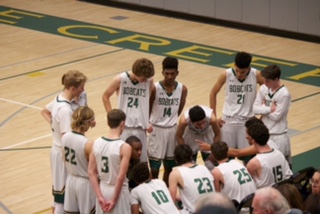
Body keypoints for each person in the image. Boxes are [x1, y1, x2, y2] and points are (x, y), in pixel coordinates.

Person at [41, 70, 87, 214]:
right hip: (64, 153)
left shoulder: (58, 98)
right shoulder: (65, 110)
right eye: (81, 87)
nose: (83, 90)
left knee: (59, 193)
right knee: (63, 195)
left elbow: (44, 111)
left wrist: (54, 125)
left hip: (59, 150)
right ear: (73, 88)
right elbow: (68, 140)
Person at [209, 51, 264, 158]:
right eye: (237, 70)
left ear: (248, 68)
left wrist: (262, 115)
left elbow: (267, 92)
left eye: (242, 72)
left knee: (249, 159)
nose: (239, 74)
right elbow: (213, 93)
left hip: (247, 122)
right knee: (225, 157)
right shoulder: (226, 74)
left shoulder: (256, 75)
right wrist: (214, 117)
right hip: (228, 121)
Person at [102, 58, 155, 162]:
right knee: (123, 161)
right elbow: (105, 96)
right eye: (143, 78)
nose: (145, 80)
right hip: (124, 128)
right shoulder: (120, 79)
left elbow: (145, 102)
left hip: (140, 128)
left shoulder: (149, 81)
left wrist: (147, 121)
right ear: (136, 73)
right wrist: (112, 118)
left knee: (142, 162)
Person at [148, 56, 188, 185]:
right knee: (154, 168)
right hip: (156, 129)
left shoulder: (183, 89)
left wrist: (171, 121)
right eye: (167, 73)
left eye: (172, 73)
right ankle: (154, 189)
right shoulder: (155, 88)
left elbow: (179, 109)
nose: (170, 76)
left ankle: (165, 189)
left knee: (169, 167)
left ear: (177, 73)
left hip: (172, 130)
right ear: (162, 73)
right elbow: (147, 107)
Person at [88, 109, 131, 214]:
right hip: (118, 191)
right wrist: (114, 200)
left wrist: (99, 197)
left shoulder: (96, 142)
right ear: (123, 123)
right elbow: (120, 177)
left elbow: (91, 172)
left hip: (102, 189)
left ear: (108, 123)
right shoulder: (124, 147)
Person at [253, 64, 292, 166]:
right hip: (265, 136)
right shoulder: (263, 89)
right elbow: (254, 109)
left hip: (279, 136)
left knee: (282, 167)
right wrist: (269, 109)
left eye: (268, 81)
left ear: (276, 79)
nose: (265, 83)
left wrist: (263, 109)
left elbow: (277, 116)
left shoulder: (284, 94)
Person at [61, 106, 96, 214]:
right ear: (89, 122)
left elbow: (63, 159)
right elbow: (93, 170)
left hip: (70, 179)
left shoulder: (65, 137)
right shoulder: (88, 143)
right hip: (84, 183)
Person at [168, 144, 215, 214]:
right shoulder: (203, 168)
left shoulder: (175, 173)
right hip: (214, 208)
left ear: (176, 160)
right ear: (191, 156)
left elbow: (172, 199)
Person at [246, 122, 292, 188]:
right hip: (282, 192)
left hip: (266, 196)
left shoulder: (254, 162)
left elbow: (249, 185)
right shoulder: (279, 153)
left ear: (253, 140)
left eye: (248, 136)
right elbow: (288, 176)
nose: (246, 137)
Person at [176, 105, 220, 169]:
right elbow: (179, 136)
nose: (202, 126)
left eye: (204, 122)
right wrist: (185, 151)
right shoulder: (184, 121)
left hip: (207, 133)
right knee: (190, 164)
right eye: (198, 124)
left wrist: (213, 150)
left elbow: (217, 134)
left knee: (211, 165)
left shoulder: (212, 119)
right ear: (191, 121)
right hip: (191, 134)